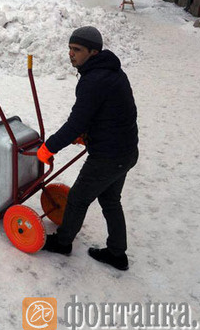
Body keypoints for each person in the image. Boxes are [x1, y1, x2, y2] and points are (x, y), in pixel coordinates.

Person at [37, 26, 139, 271]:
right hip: (125, 152)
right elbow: (110, 112)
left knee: (77, 198)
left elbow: (76, 122)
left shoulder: (94, 79)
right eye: (70, 49)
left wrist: (49, 147)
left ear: (93, 52)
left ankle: (63, 242)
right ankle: (117, 253)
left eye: (77, 50)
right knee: (110, 200)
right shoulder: (110, 71)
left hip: (109, 155)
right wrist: (90, 134)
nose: (71, 54)